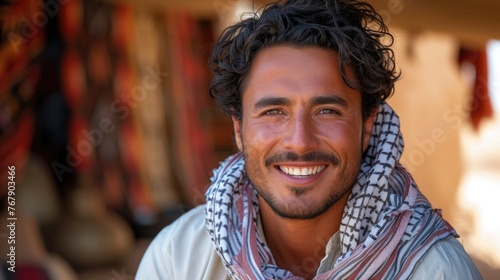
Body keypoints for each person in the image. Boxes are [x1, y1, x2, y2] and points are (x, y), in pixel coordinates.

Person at [136, 0, 482, 279]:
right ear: (239, 130)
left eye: (327, 111)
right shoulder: (179, 258)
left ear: (367, 128)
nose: (300, 142)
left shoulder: (434, 269)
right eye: (273, 112)